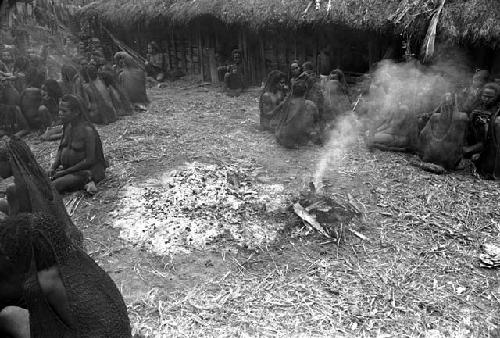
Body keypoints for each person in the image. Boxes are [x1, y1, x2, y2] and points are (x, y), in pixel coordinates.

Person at [0, 212, 131, 338]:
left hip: (87, 334)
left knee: (9, 315)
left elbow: (41, 329)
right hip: (120, 329)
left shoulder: (39, 284)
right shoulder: (76, 256)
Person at [0, 135, 82, 246]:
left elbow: (13, 226)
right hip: (57, 232)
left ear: (9, 162)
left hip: (40, 241)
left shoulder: (13, 189)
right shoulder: (37, 177)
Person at [49, 94, 107, 194]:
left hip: (85, 172)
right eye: (60, 110)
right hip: (67, 170)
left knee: (54, 186)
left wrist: (64, 172)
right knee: (40, 178)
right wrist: (53, 167)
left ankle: (89, 182)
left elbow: (89, 160)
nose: (60, 113)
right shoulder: (67, 126)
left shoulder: (87, 131)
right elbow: (61, 148)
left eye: (64, 111)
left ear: (76, 112)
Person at [418, 93, 468, 170]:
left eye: (448, 102)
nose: (447, 106)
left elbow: (422, 135)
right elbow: (461, 142)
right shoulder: (461, 117)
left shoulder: (460, 118)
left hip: (433, 157)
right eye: (445, 102)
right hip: (446, 160)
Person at [465, 83, 500, 179]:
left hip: (491, 142)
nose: (486, 99)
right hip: (477, 137)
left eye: (490, 97)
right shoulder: (478, 105)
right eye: (484, 96)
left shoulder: (498, 108)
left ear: (496, 97)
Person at [275, 80, 322, 148]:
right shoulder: (310, 105)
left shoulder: (287, 103)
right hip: (302, 143)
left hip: (284, 141)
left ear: (292, 91)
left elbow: (281, 123)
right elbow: (316, 123)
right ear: (305, 92)